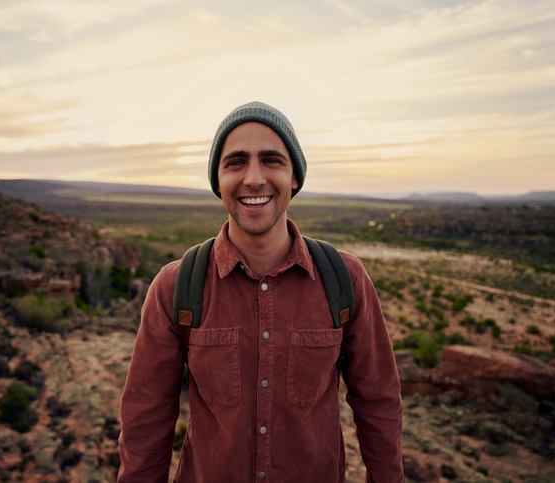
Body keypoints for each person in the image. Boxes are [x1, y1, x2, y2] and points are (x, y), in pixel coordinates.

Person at [117, 102, 403, 483]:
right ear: (217, 181)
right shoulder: (176, 288)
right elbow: (146, 417)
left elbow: (378, 401)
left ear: (295, 178)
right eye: (235, 162)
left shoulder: (345, 280)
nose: (253, 178)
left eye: (271, 160)